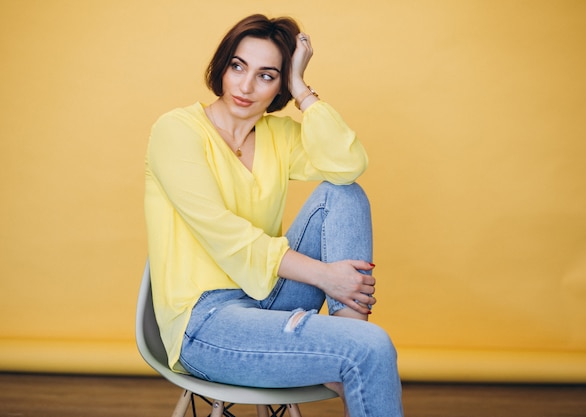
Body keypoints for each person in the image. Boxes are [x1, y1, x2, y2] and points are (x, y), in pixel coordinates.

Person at [144, 14, 403, 417]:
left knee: (343, 192)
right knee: (371, 348)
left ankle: (351, 333)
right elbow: (226, 236)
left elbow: (347, 164)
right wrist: (325, 276)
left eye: (267, 75)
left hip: (266, 297)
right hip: (205, 323)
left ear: (280, 85)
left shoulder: (278, 136)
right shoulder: (176, 131)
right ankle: (355, 347)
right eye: (238, 67)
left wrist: (303, 90)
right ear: (223, 66)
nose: (246, 86)